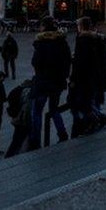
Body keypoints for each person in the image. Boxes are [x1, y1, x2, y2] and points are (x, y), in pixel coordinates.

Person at [29, 17, 72, 148]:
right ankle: (62, 133)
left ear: (44, 27)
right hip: (57, 82)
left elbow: (35, 62)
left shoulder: (41, 43)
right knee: (54, 109)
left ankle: (35, 140)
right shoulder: (62, 42)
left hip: (42, 82)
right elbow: (67, 61)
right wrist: (63, 76)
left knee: (37, 111)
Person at [68, 16, 106, 137]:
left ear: (81, 27)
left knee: (82, 102)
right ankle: (95, 121)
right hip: (96, 76)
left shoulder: (83, 40)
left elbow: (82, 62)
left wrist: (74, 78)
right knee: (89, 101)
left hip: (85, 78)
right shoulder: (97, 39)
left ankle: (97, 120)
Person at [4, 78, 34, 157]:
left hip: (16, 118)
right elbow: (26, 109)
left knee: (18, 139)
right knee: (17, 140)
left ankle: (13, 154)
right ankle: (9, 156)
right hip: (22, 120)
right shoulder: (28, 91)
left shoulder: (18, 89)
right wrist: (26, 121)